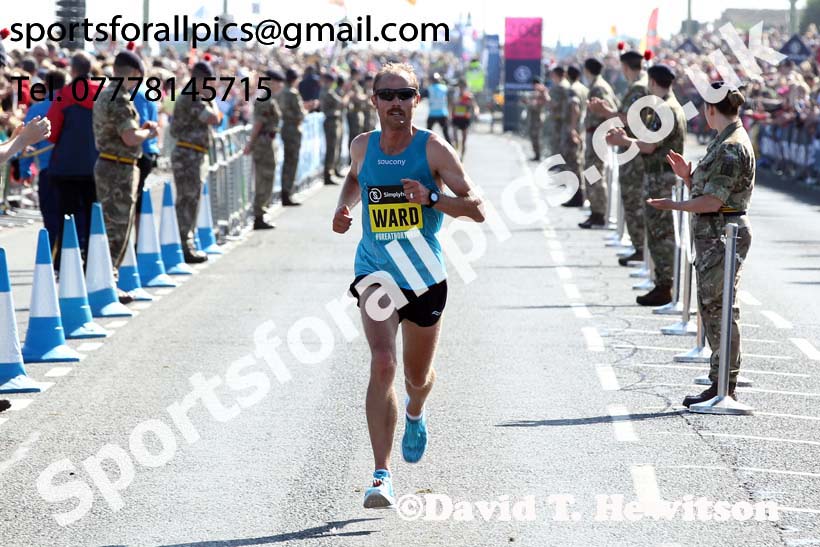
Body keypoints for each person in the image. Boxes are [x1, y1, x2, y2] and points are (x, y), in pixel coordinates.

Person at [331, 62, 484, 508]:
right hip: (375, 271)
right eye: (388, 95)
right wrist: (344, 208)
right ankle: (381, 475)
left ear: (417, 100)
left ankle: (416, 410)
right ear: (374, 101)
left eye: (405, 94)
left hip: (423, 277)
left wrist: (432, 198)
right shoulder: (362, 145)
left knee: (416, 378)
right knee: (383, 363)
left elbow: (477, 208)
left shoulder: (434, 149)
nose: (396, 102)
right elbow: (354, 178)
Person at [649, 83, 753, 407]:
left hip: (723, 233)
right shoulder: (724, 141)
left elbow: (713, 201)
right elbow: (710, 191)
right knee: (712, 307)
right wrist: (688, 177)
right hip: (715, 234)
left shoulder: (731, 146)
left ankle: (724, 385)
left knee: (720, 308)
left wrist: (674, 205)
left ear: (710, 109)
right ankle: (719, 382)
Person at [607, 64, 687, 306]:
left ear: (652, 82)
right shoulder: (670, 106)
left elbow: (650, 145)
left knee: (660, 233)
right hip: (660, 176)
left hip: (660, 178)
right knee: (657, 231)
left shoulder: (665, 109)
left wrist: (623, 140)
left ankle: (665, 285)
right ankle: (662, 283)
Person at [92, 49, 158, 301]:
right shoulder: (120, 98)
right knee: (117, 229)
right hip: (118, 168)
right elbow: (129, 137)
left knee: (110, 225)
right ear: (133, 73)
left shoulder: (105, 93)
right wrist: (148, 132)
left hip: (109, 163)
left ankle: (106, 281)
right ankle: (109, 283)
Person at [589, 50, 650, 263]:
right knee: (633, 199)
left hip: (634, 150)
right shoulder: (642, 85)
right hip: (634, 147)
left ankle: (641, 248)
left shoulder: (638, 88)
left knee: (633, 199)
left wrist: (605, 111)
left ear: (625, 67)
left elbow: (628, 119)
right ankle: (640, 248)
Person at [46, 51, 102, 265]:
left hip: (66, 166)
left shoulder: (64, 94)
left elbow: (51, 132)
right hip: (96, 165)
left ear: (73, 70)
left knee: (66, 216)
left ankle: (64, 260)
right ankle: (94, 259)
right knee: (94, 216)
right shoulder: (103, 93)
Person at [170, 61, 222, 262]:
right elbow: (214, 118)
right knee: (187, 200)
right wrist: (212, 100)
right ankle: (184, 245)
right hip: (187, 155)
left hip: (193, 154)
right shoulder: (192, 96)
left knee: (191, 200)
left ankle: (186, 242)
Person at [19, 69, 65, 255]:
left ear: (45, 85)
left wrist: (24, 171)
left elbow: (26, 143)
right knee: (71, 219)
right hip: (72, 171)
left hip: (48, 171)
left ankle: (53, 261)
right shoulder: (72, 107)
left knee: (51, 220)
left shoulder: (37, 110)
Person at [579, 58, 619, 229]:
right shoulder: (598, 85)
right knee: (591, 171)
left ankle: (599, 212)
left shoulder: (599, 87)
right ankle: (595, 210)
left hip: (598, 134)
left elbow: (608, 109)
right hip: (594, 134)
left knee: (594, 172)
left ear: (587, 70)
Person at [243, 69, 283, 230]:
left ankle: (261, 213)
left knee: (267, 178)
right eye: (278, 82)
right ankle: (259, 215)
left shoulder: (269, 98)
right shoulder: (265, 100)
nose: (280, 85)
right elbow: (258, 123)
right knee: (264, 179)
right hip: (263, 143)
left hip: (267, 141)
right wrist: (250, 143)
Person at [277, 68, 307, 206]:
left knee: (287, 161)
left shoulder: (281, 92)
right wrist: (305, 111)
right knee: (292, 162)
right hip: (293, 129)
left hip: (285, 128)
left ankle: (285, 192)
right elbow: (300, 114)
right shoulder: (292, 93)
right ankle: (287, 192)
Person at [561, 65, 587, 207]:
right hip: (581, 130)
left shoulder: (573, 89)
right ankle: (579, 195)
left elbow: (575, 109)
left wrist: (572, 129)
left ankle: (576, 196)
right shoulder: (583, 88)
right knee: (578, 163)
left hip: (574, 131)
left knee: (572, 163)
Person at [320, 72, 344, 185]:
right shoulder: (328, 92)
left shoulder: (327, 91)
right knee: (331, 149)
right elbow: (340, 103)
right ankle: (328, 174)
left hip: (333, 120)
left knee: (334, 148)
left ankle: (332, 171)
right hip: (331, 121)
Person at [450, 79, 478, 160]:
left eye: (462, 86)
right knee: (455, 136)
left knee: (464, 140)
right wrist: (449, 116)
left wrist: (476, 112)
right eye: (459, 86)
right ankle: (456, 147)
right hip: (456, 118)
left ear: (465, 87)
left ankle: (461, 157)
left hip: (464, 119)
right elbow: (451, 106)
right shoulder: (455, 96)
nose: (460, 88)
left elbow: (475, 106)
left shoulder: (469, 96)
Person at [524, 77, 548, 161]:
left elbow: (540, 104)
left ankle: (539, 154)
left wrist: (531, 103)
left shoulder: (542, 93)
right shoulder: (535, 94)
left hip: (539, 119)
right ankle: (536, 154)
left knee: (538, 137)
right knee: (534, 137)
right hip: (533, 119)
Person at [548, 66, 570, 159]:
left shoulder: (560, 86)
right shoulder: (567, 84)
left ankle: (558, 163)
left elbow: (554, 103)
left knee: (557, 143)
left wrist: (546, 97)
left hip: (559, 118)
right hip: (563, 118)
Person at [425, 73, 451, 144]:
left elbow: (421, 96)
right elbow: (450, 100)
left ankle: (425, 146)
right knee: (446, 133)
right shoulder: (445, 88)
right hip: (443, 113)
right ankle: (451, 148)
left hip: (432, 113)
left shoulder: (429, 88)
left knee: (427, 133)